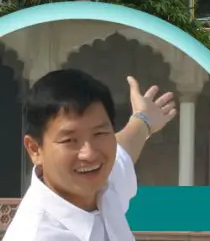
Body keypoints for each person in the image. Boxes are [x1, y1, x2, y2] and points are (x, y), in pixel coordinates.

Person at [7, 68, 178, 241]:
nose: (89, 154)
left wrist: (143, 119)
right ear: (35, 149)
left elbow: (124, 148)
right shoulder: (36, 235)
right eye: (69, 140)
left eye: (99, 134)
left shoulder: (104, 186)